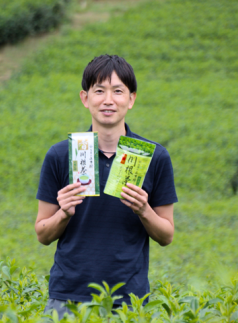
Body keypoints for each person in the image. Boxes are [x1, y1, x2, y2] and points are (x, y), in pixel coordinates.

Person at [35, 54, 178, 317]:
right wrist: (63, 213)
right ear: (85, 98)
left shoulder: (154, 157)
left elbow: (166, 235)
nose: (108, 100)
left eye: (118, 91)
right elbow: (42, 234)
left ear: (131, 99)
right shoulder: (60, 155)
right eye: (99, 90)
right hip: (67, 298)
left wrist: (144, 210)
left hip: (129, 300)